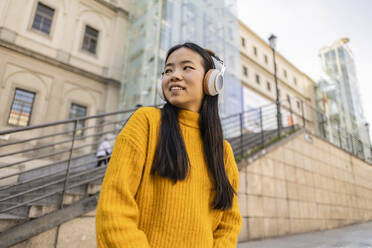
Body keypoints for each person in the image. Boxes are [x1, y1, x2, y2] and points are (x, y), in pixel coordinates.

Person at [96, 42, 241, 247]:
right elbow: (114, 207)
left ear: (211, 81)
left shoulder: (223, 151)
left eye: (186, 67)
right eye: (167, 70)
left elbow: (228, 223)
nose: (174, 75)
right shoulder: (145, 121)